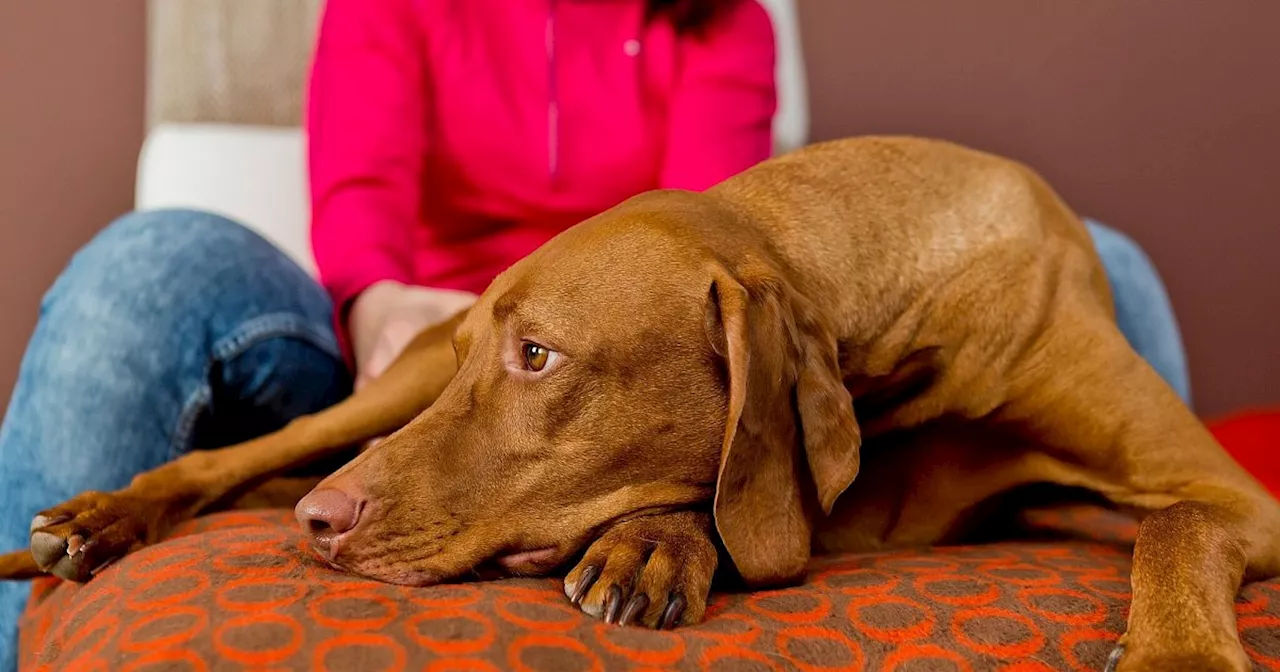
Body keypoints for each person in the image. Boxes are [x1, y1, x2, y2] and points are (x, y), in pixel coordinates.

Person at [0, 0, 1189, 667]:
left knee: (1110, 261)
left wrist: (669, 505)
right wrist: (384, 307)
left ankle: (1163, 524)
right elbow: (361, 198)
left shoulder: (717, 21)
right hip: (404, 322)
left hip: (609, 369)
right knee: (143, 261)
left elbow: (699, 271)